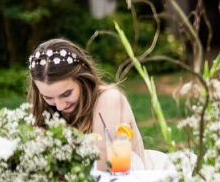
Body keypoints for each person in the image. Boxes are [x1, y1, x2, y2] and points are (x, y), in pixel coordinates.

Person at [27, 38, 146, 171]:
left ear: (82, 79)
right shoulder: (47, 111)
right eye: (48, 97)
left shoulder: (109, 99)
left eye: (66, 94)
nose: (59, 106)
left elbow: (106, 166)